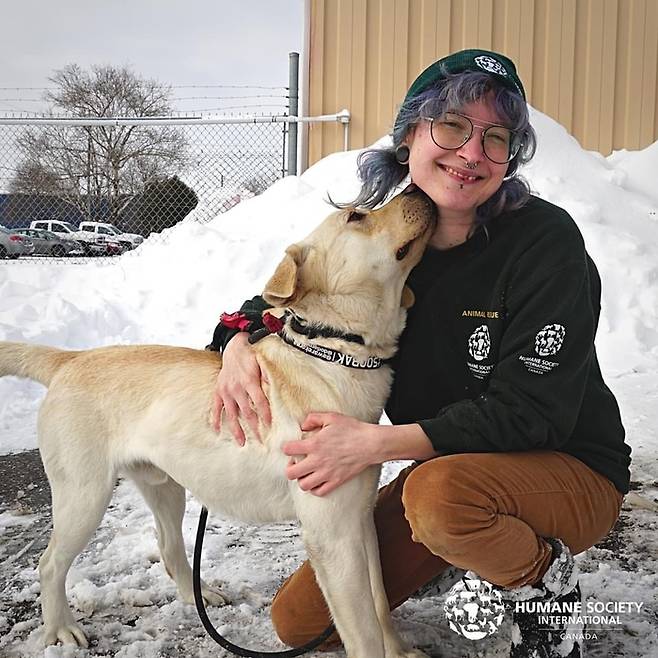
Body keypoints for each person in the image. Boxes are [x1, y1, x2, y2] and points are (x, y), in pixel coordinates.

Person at [207, 49, 631, 658]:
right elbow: (282, 296)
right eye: (452, 126)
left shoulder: (545, 243)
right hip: (448, 468)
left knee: (437, 500)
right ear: (410, 135)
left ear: (510, 157)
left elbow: (530, 413)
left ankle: (542, 579)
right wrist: (235, 343)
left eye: (496, 137)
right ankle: (467, 540)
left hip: (567, 466)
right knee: (302, 625)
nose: (470, 153)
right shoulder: (391, 239)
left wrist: (374, 443)